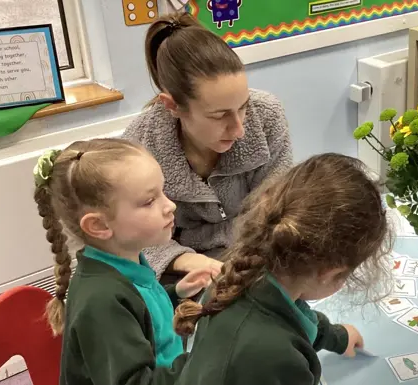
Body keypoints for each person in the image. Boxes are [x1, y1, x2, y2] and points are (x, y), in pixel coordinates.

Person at [172, 153, 391, 385]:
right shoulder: (276, 358)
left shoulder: (242, 274)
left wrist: (336, 337)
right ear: (331, 273)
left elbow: (292, 314)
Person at [123, 12, 293, 284]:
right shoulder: (138, 146)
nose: (239, 129)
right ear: (173, 106)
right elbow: (132, 238)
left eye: (243, 107)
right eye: (219, 115)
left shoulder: (267, 115)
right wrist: (188, 259)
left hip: (256, 254)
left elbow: (276, 211)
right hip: (179, 268)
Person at [32, 138, 216, 384]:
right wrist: (205, 358)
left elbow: (142, 313)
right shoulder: (101, 300)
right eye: (149, 201)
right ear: (98, 225)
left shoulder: (126, 261)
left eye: (163, 192)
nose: (170, 205)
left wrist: (175, 293)